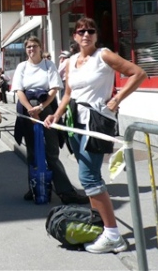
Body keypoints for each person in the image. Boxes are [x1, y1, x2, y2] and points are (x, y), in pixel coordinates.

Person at [45, 18, 146, 253]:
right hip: (75, 123)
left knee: (89, 177)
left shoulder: (104, 55)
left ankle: (113, 235)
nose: (86, 34)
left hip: (97, 122)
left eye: (91, 30)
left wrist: (117, 99)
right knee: (89, 177)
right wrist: (56, 115)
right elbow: (68, 93)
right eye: (81, 31)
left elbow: (138, 73)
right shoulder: (71, 61)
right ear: (75, 36)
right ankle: (99, 226)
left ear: (96, 35)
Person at [11, 36, 88, 205]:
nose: (31, 49)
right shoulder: (22, 67)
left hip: (46, 109)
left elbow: (54, 89)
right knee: (32, 151)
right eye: (29, 47)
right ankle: (35, 187)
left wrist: (40, 107)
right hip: (27, 110)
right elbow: (19, 90)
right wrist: (30, 110)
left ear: (40, 47)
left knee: (51, 151)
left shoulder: (48, 65)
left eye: (34, 46)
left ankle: (66, 191)